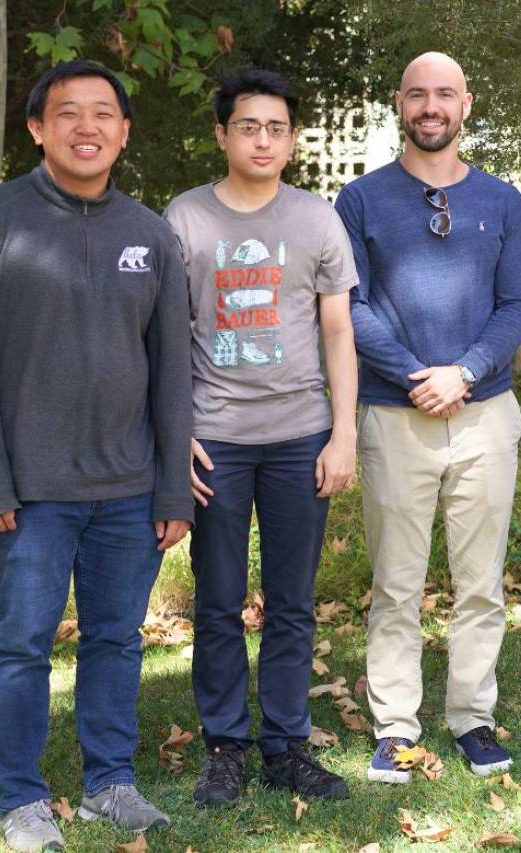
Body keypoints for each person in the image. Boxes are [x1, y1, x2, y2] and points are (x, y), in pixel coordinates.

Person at [0, 60, 192, 852]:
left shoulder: (150, 234)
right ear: (38, 128)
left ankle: (111, 781)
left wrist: (172, 487)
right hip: (31, 492)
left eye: (103, 113)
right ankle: (21, 797)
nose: (87, 126)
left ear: (123, 132)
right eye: (68, 113)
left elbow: (172, 371)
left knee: (116, 638)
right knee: (22, 644)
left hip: (128, 487)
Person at [334, 52, 521, 783]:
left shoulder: (502, 201)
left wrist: (466, 371)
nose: (431, 106)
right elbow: (349, 306)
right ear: (399, 104)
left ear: (465, 105)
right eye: (418, 94)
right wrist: (419, 376)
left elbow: (518, 303)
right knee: (396, 582)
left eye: (444, 94)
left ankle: (472, 718)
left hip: (484, 415)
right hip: (395, 414)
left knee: (481, 582)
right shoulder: (358, 201)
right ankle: (395, 727)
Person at [163, 68, 358, 807]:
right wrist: (175, 433)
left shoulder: (317, 219)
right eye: (249, 126)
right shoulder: (183, 219)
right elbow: (167, 340)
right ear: (221, 134)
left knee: (292, 600)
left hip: (299, 437)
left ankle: (285, 743)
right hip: (215, 440)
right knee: (216, 599)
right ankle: (224, 746)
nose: (264, 139)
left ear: (293, 138)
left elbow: (337, 330)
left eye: (277, 127)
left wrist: (343, 434)